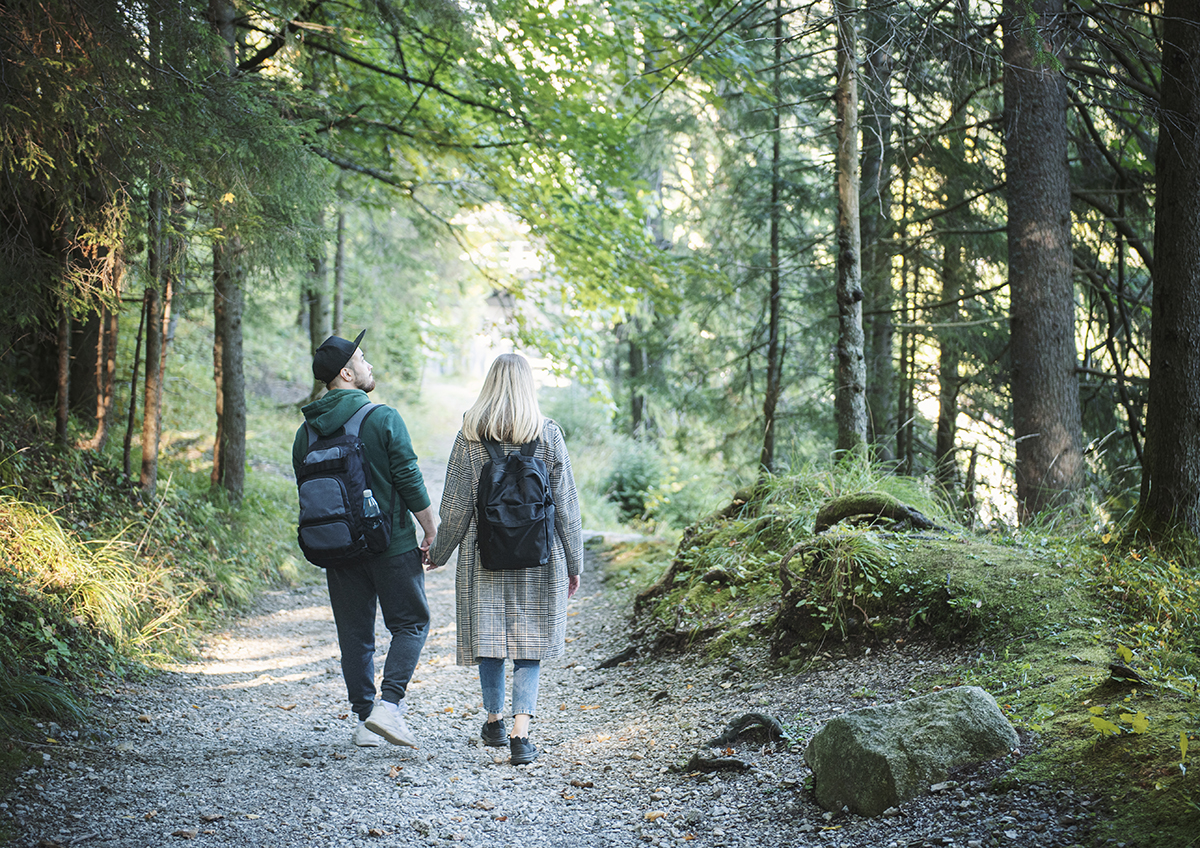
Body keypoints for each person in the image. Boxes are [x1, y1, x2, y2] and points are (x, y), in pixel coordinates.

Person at [426, 353, 583, 765]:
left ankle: (494, 721)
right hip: (540, 554)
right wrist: (575, 562)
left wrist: (439, 553)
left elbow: (457, 505)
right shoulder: (548, 434)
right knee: (529, 643)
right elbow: (567, 506)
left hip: (484, 553)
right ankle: (521, 733)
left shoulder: (470, 436)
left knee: (490, 637)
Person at [292, 330, 437, 749]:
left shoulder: (306, 432)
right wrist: (430, 527)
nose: (369, 363)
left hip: (336, 546)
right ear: (347, 374)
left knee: (354, 636)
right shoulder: (382, 417)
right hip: (390, 545)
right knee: (411, 623)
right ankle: (388, 707)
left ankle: (363, 720)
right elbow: (408, 476)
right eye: (362, 358)